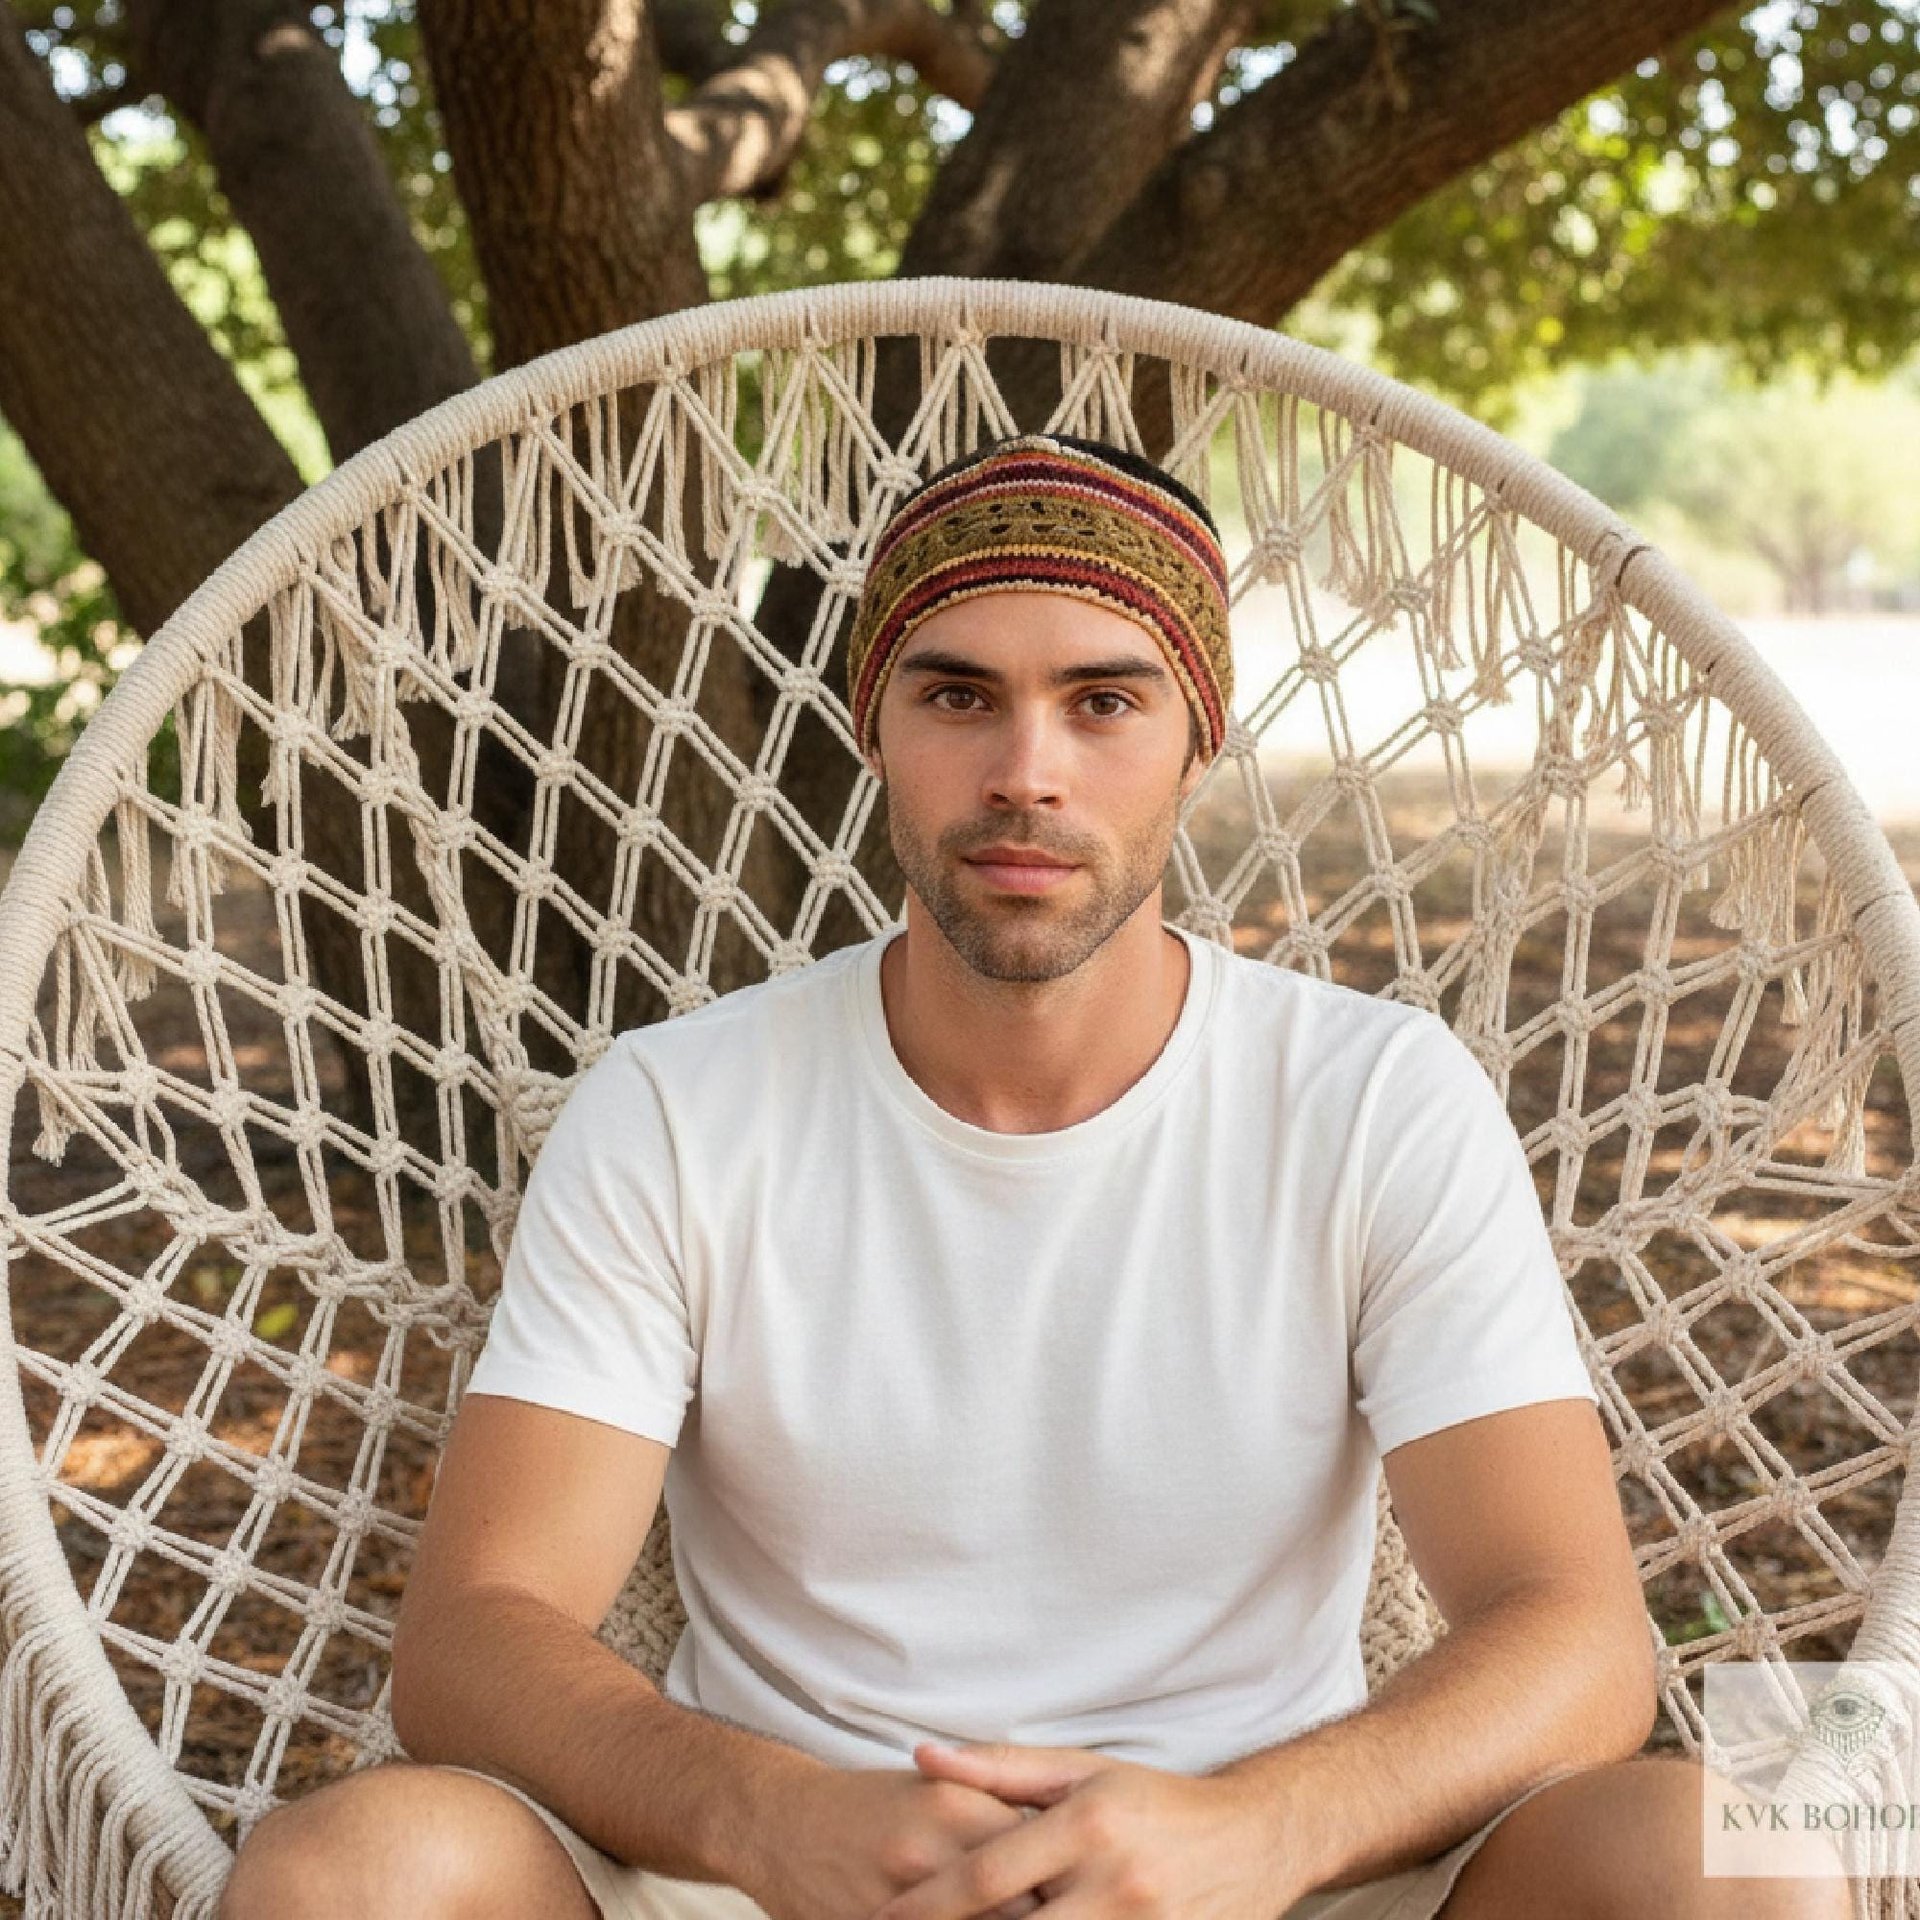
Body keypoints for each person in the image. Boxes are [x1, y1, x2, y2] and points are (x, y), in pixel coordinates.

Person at [218, 434, 1847, 1920]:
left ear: (1198, 738)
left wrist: (1258, 1831)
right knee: (349, 1878)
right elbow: (476, 1632)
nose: (1028, 771)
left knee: (1722, 1867)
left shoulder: (1371, 1099)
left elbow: (1574, 1630)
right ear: (872, 726)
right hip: (791, 1884)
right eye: (956, 695)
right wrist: (773, 1818)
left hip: (1267, 1881)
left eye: (1105, 700)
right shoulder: (675, 1109)